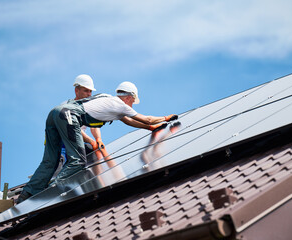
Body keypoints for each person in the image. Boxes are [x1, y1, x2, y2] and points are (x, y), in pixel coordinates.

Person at [16, 80, 177, 204]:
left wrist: (151, 128)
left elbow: (129, 121)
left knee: (49, 161)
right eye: (133, 101)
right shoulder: (122, 105)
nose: (132, 105)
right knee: (78, 160)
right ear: (129, 97)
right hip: (68, 116)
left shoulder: (107, 98)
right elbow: (146, 118)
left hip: (55, 113)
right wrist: (165, 118)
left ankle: (26, 195)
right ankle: (51, 191)